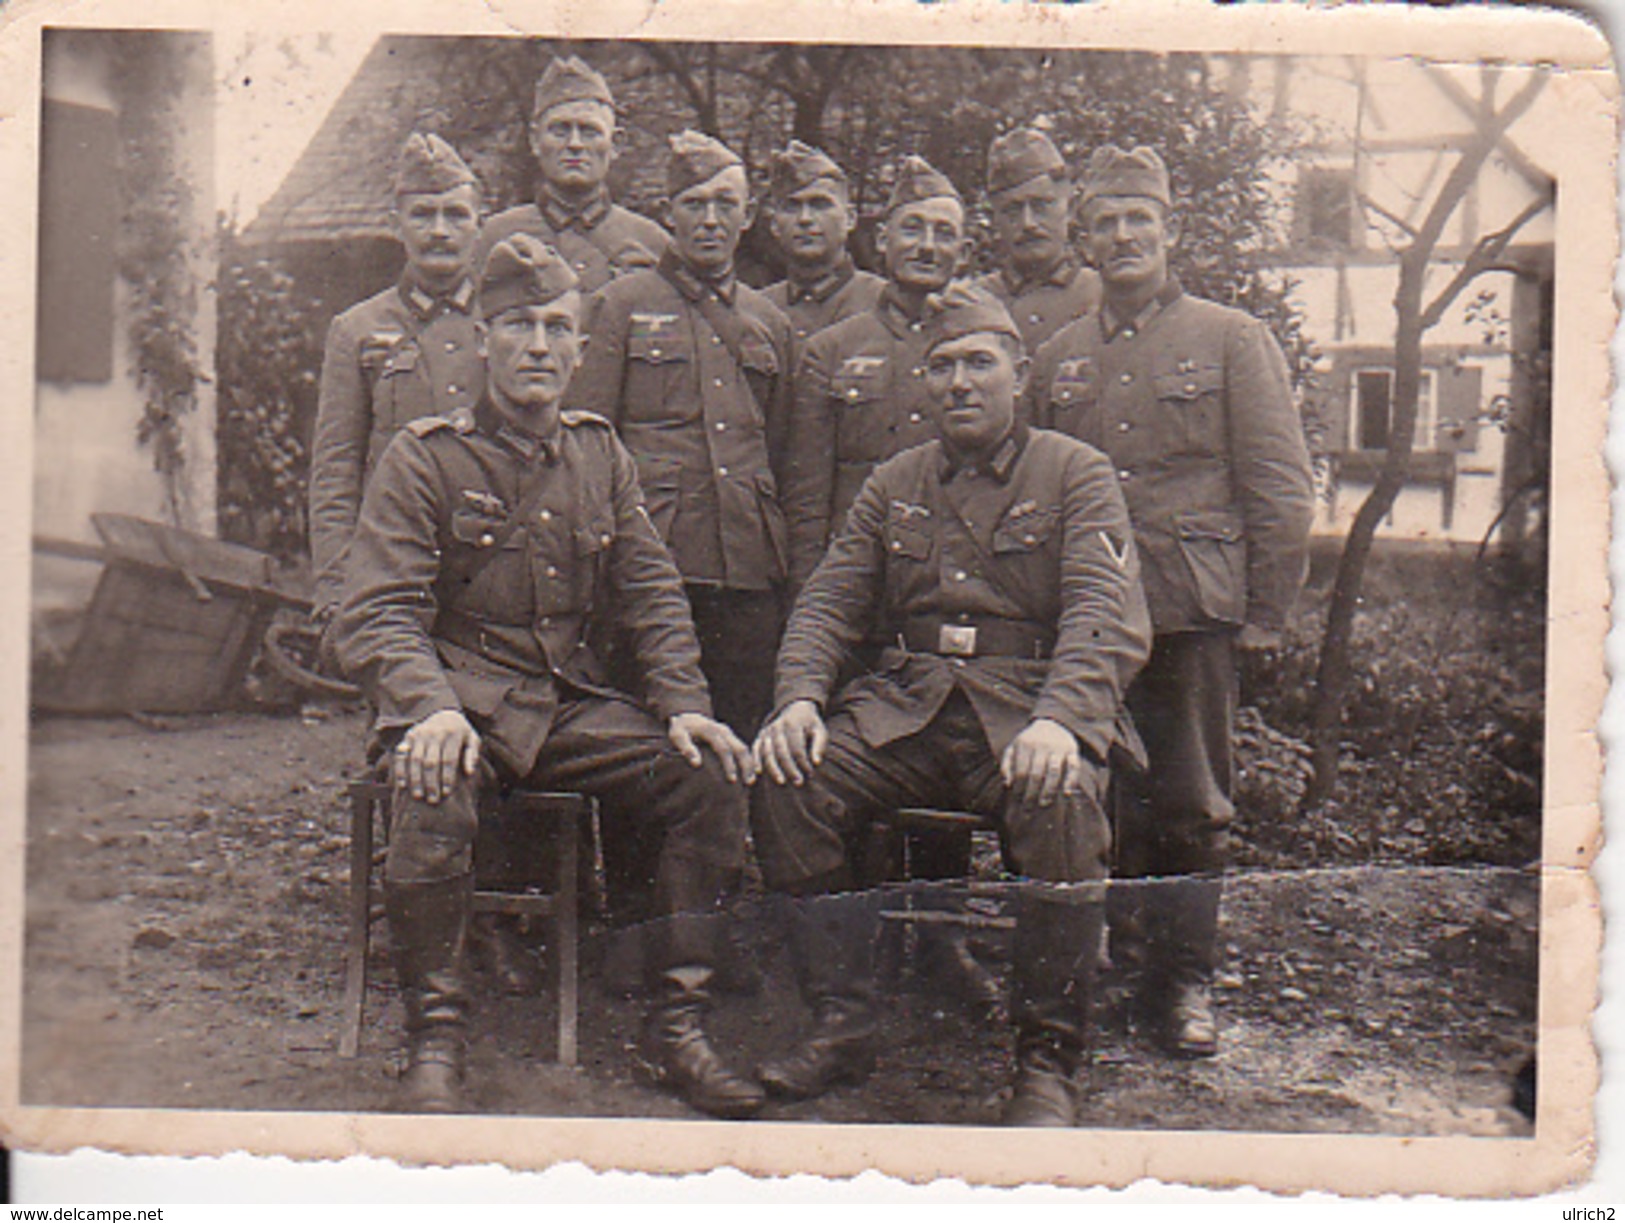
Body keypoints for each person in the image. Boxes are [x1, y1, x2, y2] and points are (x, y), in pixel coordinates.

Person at [332, 234, 764, 1120]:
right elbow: (375, 612)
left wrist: (684, 704)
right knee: (430, 783)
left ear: (578, 349)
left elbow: (650, 591)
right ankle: (434, 1036)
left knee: (707, 773)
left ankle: (675, 1025)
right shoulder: (424, 455)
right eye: (518, 324)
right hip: (458, 701)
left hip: (562, 705)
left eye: (556, 328)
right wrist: (430, 708)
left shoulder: (599, 454)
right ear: (482, 339)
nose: (537, 344)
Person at [751, 283, 1152, 1127]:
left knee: (1065, 801)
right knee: (789, 780)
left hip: (1024, 707)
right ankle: (842, 1021)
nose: (959, 382)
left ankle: (1047, 1062)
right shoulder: (896, 479)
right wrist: (796, 701)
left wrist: (1062, 720)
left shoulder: (1073, 471)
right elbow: (827, 602)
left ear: (1020, 371)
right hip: (910, 708)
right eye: (941, 367)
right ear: (921, 384)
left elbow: (1099, 611)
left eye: (979, 362)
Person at [1027, 145, 1315, 1058]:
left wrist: (1266, 611)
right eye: (1104, 223)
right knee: (1100, 791)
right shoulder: (1058, 356)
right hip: (1092, 615)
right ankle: (1109, 962)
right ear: (1085, 238)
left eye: (1136, 221)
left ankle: (1184, 980)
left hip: (1192, 606)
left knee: (1190, 800)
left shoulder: (1230, 337)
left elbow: (1279, 483)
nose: (1120, 238)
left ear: (1168, 230)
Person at [565, 129, 794, 740]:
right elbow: (587, 443)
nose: (711, 220)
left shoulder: (770, 322)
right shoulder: (619, 304)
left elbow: (783, 452)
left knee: (744, 737)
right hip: (654, 568)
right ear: (669, 215)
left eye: (726, 204)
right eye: (694, 204)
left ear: (748, 216)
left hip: (748, 571)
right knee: (646, 745)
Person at [308, 132, 484, 625]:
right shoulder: (356, 329)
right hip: (392, 567)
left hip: (496, 573)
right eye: (423, 215)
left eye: (456, 214)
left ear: (479, 225)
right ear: (396, 225)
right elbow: (336, 469)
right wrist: (335, 587)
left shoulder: (515, 322)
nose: (440, 231)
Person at [780, 154, 970, 590]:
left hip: (955, 571)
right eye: (912, 229)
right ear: (883, 240)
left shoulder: (988, 345)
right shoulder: (833, 348)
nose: (926, 246)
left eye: (943, 234)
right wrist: (809, 596)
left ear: (964, 252)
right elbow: (808, 496)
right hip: (858, 569)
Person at [476, 55, 669, 291]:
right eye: (560, 130)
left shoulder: (651, 240)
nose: (575, 144)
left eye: (589, 131)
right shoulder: (496, 235)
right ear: (535, 141)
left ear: (616, 143)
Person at [972, 128, 1101, 352]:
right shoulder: (975, 300)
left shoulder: (1102, 294)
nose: (1028, 223)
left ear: (1069, 209)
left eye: (1041, 206)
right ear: (995, 221)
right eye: (1012, 211)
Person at [761, 140, 885, 346]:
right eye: (792, 207)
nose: (805, 219)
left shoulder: (884, 303)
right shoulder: (757, 309)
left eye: (820, 205)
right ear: (774, 224)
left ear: (850, 218)